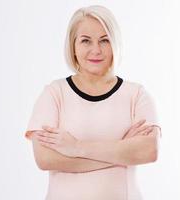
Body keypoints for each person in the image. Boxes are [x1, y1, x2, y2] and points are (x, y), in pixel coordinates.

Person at [24, 5, 162, 200]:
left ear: (115, 43)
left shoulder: (137, 95)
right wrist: (121, 150)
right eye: (86, 41)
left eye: (104, 40)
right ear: (73, 46)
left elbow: (149, 150)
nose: (96, 50)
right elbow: (45, 158)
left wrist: (77, 147)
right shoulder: (54, 94)